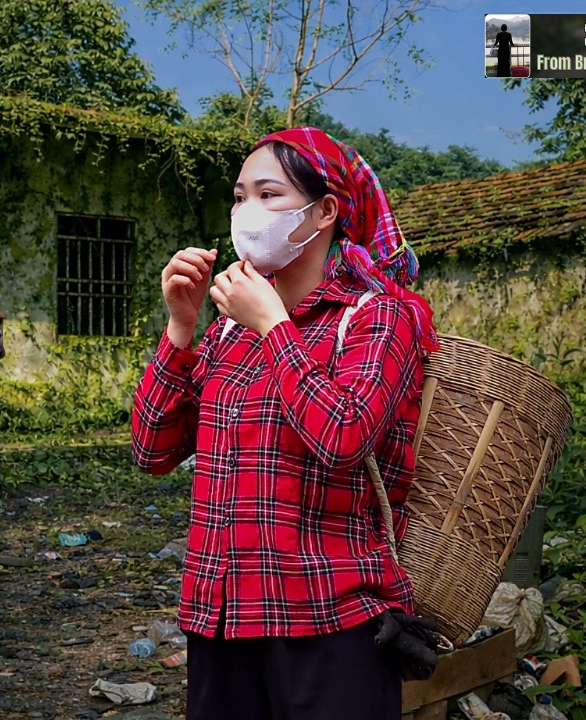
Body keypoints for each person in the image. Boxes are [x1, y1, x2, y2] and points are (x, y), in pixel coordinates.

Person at [131, 126, 440, 720]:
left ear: (324, 211)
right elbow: (151, 450)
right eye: (240, 196)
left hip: (332, 619)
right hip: (220, 614)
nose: (247, 212)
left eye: (269, 195)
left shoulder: (379, 316)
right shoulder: (224, 328)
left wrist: (275, 328)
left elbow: (344, 438)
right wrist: (179, 328)